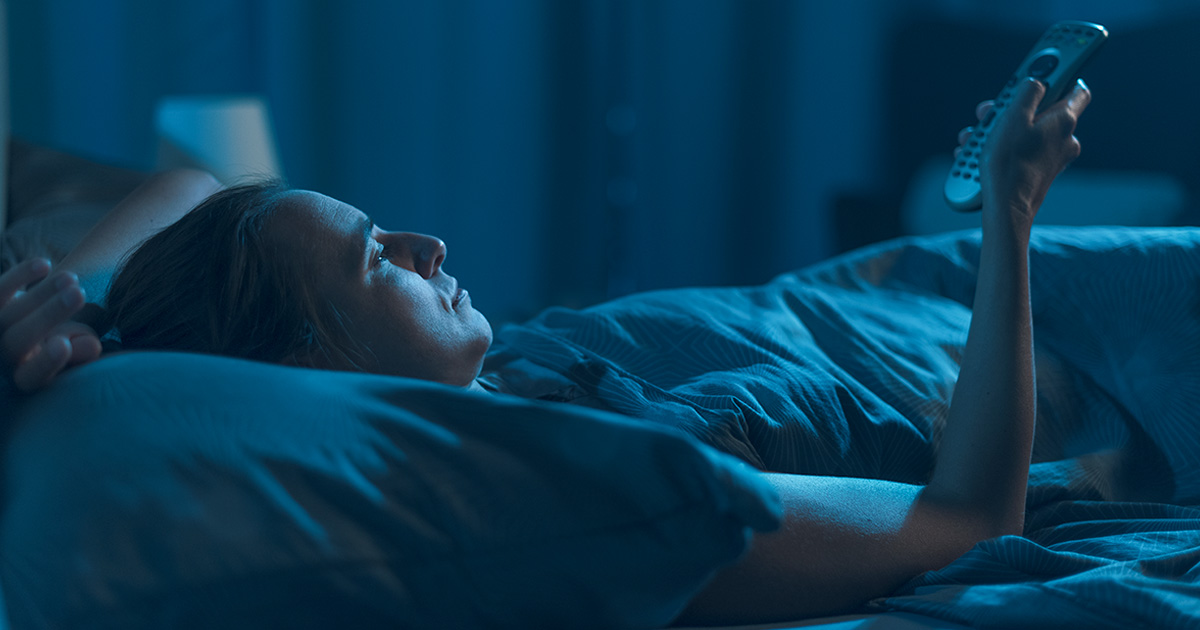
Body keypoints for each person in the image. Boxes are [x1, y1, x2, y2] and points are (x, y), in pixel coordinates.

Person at [0, 78, 1090, 624]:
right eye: (379, 260)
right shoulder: (591, 491)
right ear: (311, 369)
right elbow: (966, 519)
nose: (430, 246)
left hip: (828, 305)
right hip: (976, 348)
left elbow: (186, 188)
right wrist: (1008, 213)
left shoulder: (398, 364)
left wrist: (91, 317)